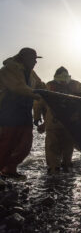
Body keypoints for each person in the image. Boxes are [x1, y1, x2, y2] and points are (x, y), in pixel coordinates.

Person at [33, 67, 81, 174]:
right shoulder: (73, 84)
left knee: (60, 146)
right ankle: (60, 166)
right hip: (63, 122)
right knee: (60, 145)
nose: (64, 81)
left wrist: (36, 117)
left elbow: (38, 101)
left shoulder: (51, 85)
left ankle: (58, 167)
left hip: (62, 122)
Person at [0, 48, 44, 180]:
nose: (35, 62)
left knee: (25, 145)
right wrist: (38, 96)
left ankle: (9, 169)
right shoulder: (9, 69)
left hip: (25, 113)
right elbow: (18, 87)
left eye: (36, 59)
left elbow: (41, 86)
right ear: (23, 58)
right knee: (6, 144)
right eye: (33, 59)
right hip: (8, 112)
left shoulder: (31, 73)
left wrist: (53, 96)